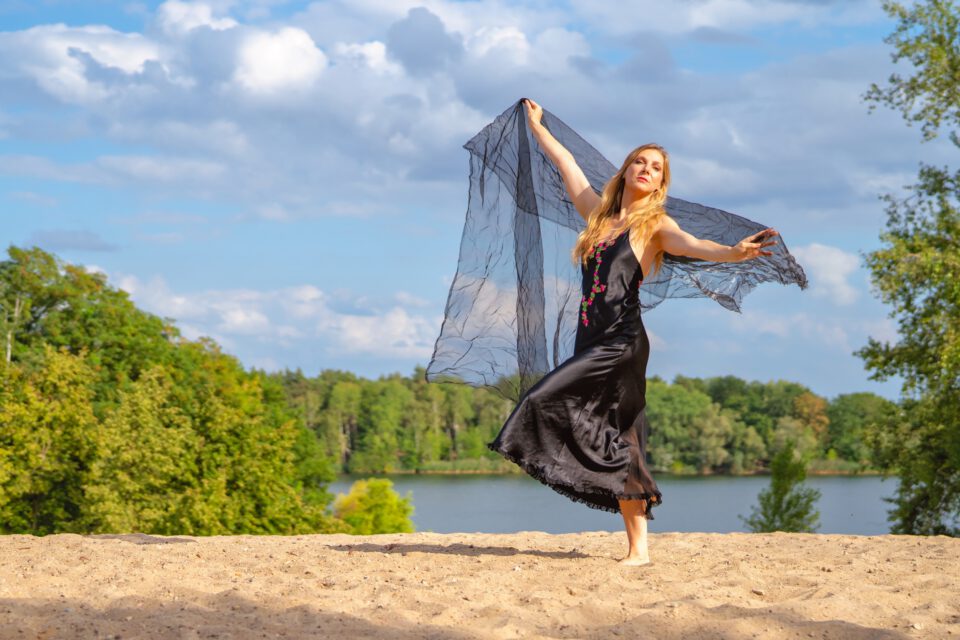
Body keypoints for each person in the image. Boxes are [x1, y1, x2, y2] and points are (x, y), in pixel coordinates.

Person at [486, 99, 780, 566]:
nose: (646, 170)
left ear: (661, 183)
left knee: (543, 399)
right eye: (640, 162)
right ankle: (638, 549)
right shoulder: (597, 217)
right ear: (625, 172)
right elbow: (567, 165)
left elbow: (694, 245)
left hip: (621, 341)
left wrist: (732, 253)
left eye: (656, 168)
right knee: (620, 435)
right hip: (591, 338)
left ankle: (633, 536)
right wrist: (538, 127)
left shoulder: (655, 225)